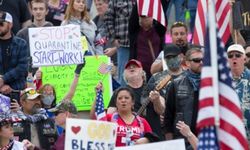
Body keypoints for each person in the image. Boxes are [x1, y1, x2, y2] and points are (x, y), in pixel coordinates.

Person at [141, 44, 185, 140]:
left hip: (185, 124)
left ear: (181, 57)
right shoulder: (156, 78)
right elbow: (145, 103)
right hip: (162, 128)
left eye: (173, 57)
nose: (171, 60)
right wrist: (156, 102)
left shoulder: (189, 76)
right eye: (168, 58)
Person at [164, 46, 203, 149]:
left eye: (203, 59)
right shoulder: (176, 84)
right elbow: (168, 116)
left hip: (205, 138)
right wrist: (170, 144)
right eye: (197, 60)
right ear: (187, 63)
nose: (201, 62)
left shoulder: (211, 85)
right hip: (182, 140)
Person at [129, 4, 166, 80]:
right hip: (139, 73)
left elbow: (161, 15)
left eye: (149, 15)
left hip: (156, 72)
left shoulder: (159, 30)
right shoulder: (135, 32)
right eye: (143, 16)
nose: (146, 18)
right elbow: (133, 17)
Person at [17, 0, 53, 75]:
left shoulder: (55, 32)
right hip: (28, 78)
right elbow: (18, 60)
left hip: (51, 75)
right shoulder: (22, 34)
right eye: (35, 9)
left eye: (41, 9)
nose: (38, 12)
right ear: (31, 11)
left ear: (46, 11)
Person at [104, 0, 136, 85]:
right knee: (123, 77)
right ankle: (123, 97)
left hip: (140, 43)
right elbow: (108, 18)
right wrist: (113, 38)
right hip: (123, 44)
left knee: (140, 74)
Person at [0, 11, 28, 101]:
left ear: (10, 25)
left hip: (16, 91)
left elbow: (22, 67)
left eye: (1, 24)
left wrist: (3, 79)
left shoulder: (21, 43)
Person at [227, 44, 250, 143]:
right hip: (230, 134)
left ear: (244, 59)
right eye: (230, 56)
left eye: (238, 55)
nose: (234, 58)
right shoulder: (222, 81)